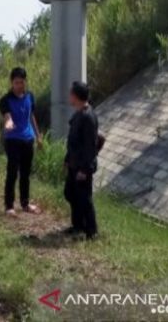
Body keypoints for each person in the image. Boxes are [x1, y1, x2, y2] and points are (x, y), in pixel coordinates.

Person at [0, 67, 43, 218]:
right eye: (16, 82)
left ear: (25, 82)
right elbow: (7, 116)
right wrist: (8, 123)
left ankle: (25, 203)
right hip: (12, 141)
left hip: (28, 139)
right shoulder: (5, 100)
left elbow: (32, 117)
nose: (19, 85)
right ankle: (9, 205)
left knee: (25, 174)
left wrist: (38, 136)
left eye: (22, 82)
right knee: (12, 173)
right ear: (12, 83)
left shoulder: (30, 96)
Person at [63, 81, 99, 240]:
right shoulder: (78, 113)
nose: (69, 96)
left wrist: (85, 169)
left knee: (85, 198)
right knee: (70, 193)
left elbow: (90, 146)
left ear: (76, 96)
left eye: (71, 93)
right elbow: (73, 141)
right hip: (73, 163)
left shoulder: (88, 117)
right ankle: (77, 225)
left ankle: (91, 231)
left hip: (83, 166)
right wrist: (67, 159)